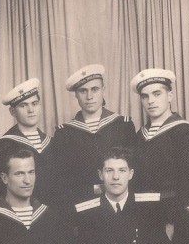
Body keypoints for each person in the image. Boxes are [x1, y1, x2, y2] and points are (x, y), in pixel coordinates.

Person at [54, 64, 136, 206]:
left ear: (103, 90)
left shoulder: (123, 125)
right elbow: (62, 179)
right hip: (81, 203)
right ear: (76, 95)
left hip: (120, 202)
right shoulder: (65, 133)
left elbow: (133, 169)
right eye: (83, 91)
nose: (89, 96)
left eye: (94, 89)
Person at [130, 68, 189, 223]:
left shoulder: (184, 132)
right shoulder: (139, 136)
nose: (150, 101)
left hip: (172, 212)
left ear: (170, 96)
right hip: (141, 213)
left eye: (157, 94)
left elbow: (188, 183)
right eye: (145, 96)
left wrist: (175, 220)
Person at [0, 78, 56, 204]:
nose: (31, 110)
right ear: (13, 111)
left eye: (34, 104)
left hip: (51, 211)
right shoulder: (4, 145)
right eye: (23, 105)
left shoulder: (52, 143)